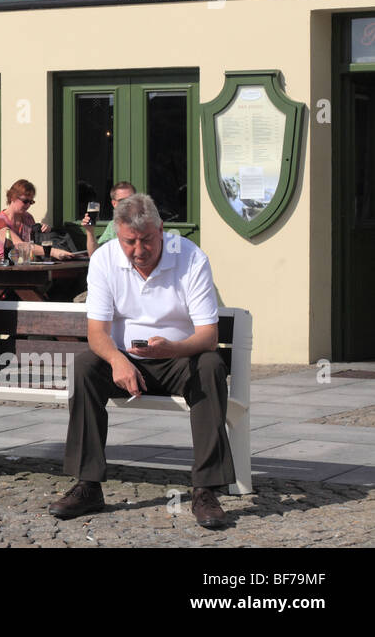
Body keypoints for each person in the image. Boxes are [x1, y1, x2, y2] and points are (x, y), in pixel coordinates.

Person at [49, 193, 234, 529]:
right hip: (125, 358)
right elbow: (97, 333)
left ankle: (206, 490)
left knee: (211, 367)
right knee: (85, 367)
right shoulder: (105, 259)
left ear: (161, 229)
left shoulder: (190, 258)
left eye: (146, 239)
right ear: (117, 235)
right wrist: (118, 361)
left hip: (180, 356)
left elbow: (208, 336)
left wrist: (173, 349)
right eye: (129, 241)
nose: (138, 250)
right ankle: (88, 485)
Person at [0, 180, 73, 261]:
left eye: (31, 202)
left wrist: (43, 231)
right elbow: (19, 245)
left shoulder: (28, 217)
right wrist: (53, 252)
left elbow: (32, 244)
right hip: (5, 267)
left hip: (27, 264)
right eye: (25, 201)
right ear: (12, 197)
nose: (28, 205)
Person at [81, 180, 137, 256]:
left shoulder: (147, 223)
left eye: (130, 199)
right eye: (122, 201)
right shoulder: (113, 225)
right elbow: (95, 256)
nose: (127, 204)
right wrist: (90, 231)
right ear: (114, 204)